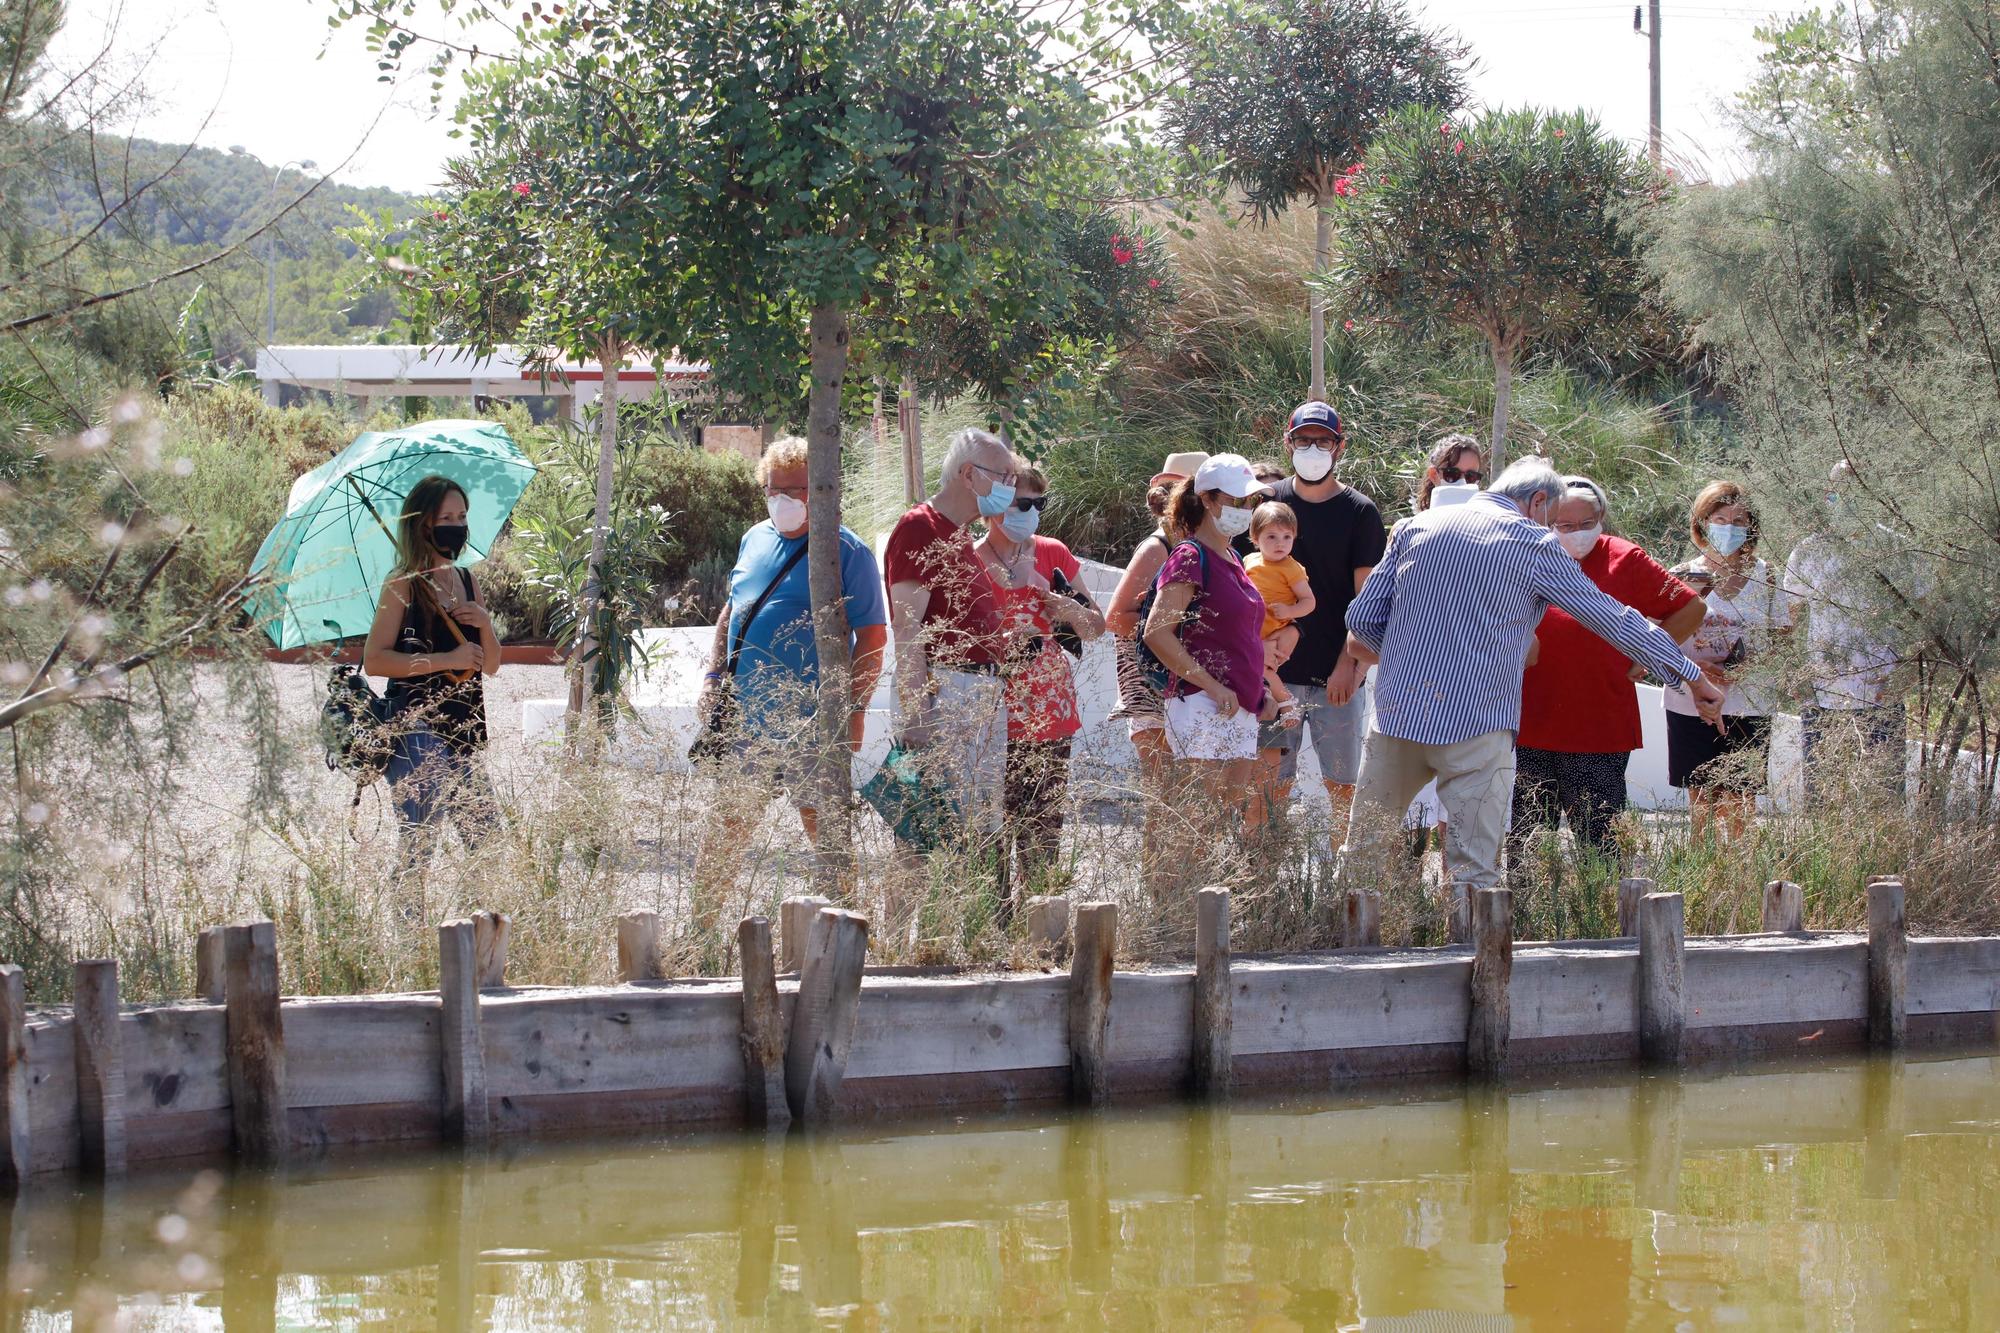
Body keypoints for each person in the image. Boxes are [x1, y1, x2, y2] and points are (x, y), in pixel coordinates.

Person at [1338, 459, 1726, 937]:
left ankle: (1336, 948)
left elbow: (1362, 624)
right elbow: (1612, 618)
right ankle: (1467, 967)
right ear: (1538, 502)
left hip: (1399, 715)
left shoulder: (1418, 526)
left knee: (1363, 850)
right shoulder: (1532, 543)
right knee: (1472, 868)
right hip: (1476, 725)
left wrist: (1415, 656)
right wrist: (1690, 676)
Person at [695, 437, 887, 921]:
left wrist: (855, 710)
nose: (783, 500)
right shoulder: (754, 538)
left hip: (812, 721)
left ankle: (846, 927)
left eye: (796, 489)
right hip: (745, 718)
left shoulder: (847, 551)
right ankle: (698, 928)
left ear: (821, 490)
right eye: (773, 489)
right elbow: (731, 611)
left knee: (825, 831)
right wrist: (714, 675)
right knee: (727, 826)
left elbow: (873, 638)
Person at [1509, 476, 1705, 872]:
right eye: (1565, 525)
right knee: (1525, 848)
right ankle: (1522, 924)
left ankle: (1606, 923)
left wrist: (1649, 654)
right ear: (1546, 519)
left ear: (1601, 518)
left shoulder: (1625, 558)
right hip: (1529, 726)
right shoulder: (1526, 555)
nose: (1577, 533)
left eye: (1587, 523)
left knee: (1601, 850)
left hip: (1598, 730)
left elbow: (1690, 608)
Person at [1236, 401, 1387, 830]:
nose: (1313, 449)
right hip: (1271, 676)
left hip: (1334, 679)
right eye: (1304, 440)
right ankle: (1260, 879)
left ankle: (1348, 884)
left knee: (1342, 785)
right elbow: (1246, 587)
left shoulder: (1361, 512)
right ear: (1288, 444)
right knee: (1268, 785)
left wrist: (1349, 665)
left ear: (1339, 447)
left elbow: (1369, 599)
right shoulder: (1268, 504)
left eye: (1323, 441)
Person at [362, 475, 504, 907]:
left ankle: (475, 941)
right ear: (424, 523)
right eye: (447, 517)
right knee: (419, 849)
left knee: (487, 845)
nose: (457, 526)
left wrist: (483, 623)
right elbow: (376, 660)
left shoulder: (466, 580)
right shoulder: (402, 583)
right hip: (416, 733)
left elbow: (492, 665)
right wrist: (446, 661)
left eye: (462, 517)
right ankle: (410, 954)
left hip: (465, 732)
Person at [885, 427, 1019, 878]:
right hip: (946, 691)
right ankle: (905, 941)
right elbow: (907, 627)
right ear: (969, 474)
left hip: (973, 691)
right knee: (926, 832)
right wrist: (918, 713)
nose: (1011, 488)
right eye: (1005, 476)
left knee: (969, 829)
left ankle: (952, 935)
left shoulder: (956, 532)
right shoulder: (919, 527)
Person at [974, 465, 1106, 911]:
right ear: (992, 506)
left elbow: (1095, 627)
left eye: (1038, 504)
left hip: (1050, 708)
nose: (1030, 513)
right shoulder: (969, 560)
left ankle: (1041, 925)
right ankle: (992, 927)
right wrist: (998, 644)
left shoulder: (1053, 553)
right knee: (989, 827)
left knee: (1043, 826)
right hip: (989, 709)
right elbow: (947, 635)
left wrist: (1066, 606)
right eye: (1020, 504)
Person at [1143, 454, 1279, 834]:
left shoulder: (1234, 556)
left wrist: (1260, 690)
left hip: (1239, 706)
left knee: (1223, 825)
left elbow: (1241, 637)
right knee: (1198, 826)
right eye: (1235, 500)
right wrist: (1214, 686)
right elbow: (1157, 632)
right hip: (1202, 703)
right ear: (1206, 498)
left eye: (1248, 501)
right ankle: (1179, 895)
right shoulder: (1190, 555)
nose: (1244, 509)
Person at [1663, 481, 1791, 840]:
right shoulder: (1681, 575)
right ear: (1703, 522)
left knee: (1740, 802)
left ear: (1751, 527)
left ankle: (1740, 881)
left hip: (1748, 703)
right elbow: (1659, 638)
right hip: (1690, 701)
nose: (1730, 528)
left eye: (1739, 521)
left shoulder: (1766, 576)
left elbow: (1781, 643)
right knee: (1701, 800)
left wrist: (1737, 672)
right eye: (1721, 519)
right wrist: (1696, 672)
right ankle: (1701, 878)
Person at [1783, 460, 1915, 802]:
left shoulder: (1897, 548)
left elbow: (1924, 617)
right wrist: (1801, 684)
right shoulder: (1808, 551)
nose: (1848, 498)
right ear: (1829, 496)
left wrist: (1903, 678)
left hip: (1881, 697)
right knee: (1823, 802)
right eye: (1840, 490)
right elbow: (1790, 622)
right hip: (1823, 699)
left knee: (1884, 801)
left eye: (1858, 489)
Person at [1107, 450, 1206, 895]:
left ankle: (1174, 895)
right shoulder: (1157, 547)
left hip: (1177, 684)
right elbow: (1116, 617)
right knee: (1166, 797)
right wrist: (1168, 624)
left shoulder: (1191, 548)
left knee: (1182, 797)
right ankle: (1160, 897)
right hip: (1150, 688)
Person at [1244, 501, 1313, 724]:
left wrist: (1290, 610)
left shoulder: (1292, 568)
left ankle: (1286, 704)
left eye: (1287, 537)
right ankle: (1272, 702)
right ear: (1255, 538)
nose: (1280, 543)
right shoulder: (1249, 560)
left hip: (1274, 631)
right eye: (1271, 537)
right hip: (1252, 631)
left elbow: (1309, 602)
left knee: (1264, 669)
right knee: (1254, 670)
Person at [1416, 433, 1486, 511]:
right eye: (1452, 474)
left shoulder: (1488, 521)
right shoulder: (1416, 522)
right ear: (1433, 475)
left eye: (1471, 477)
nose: (1463, 482)